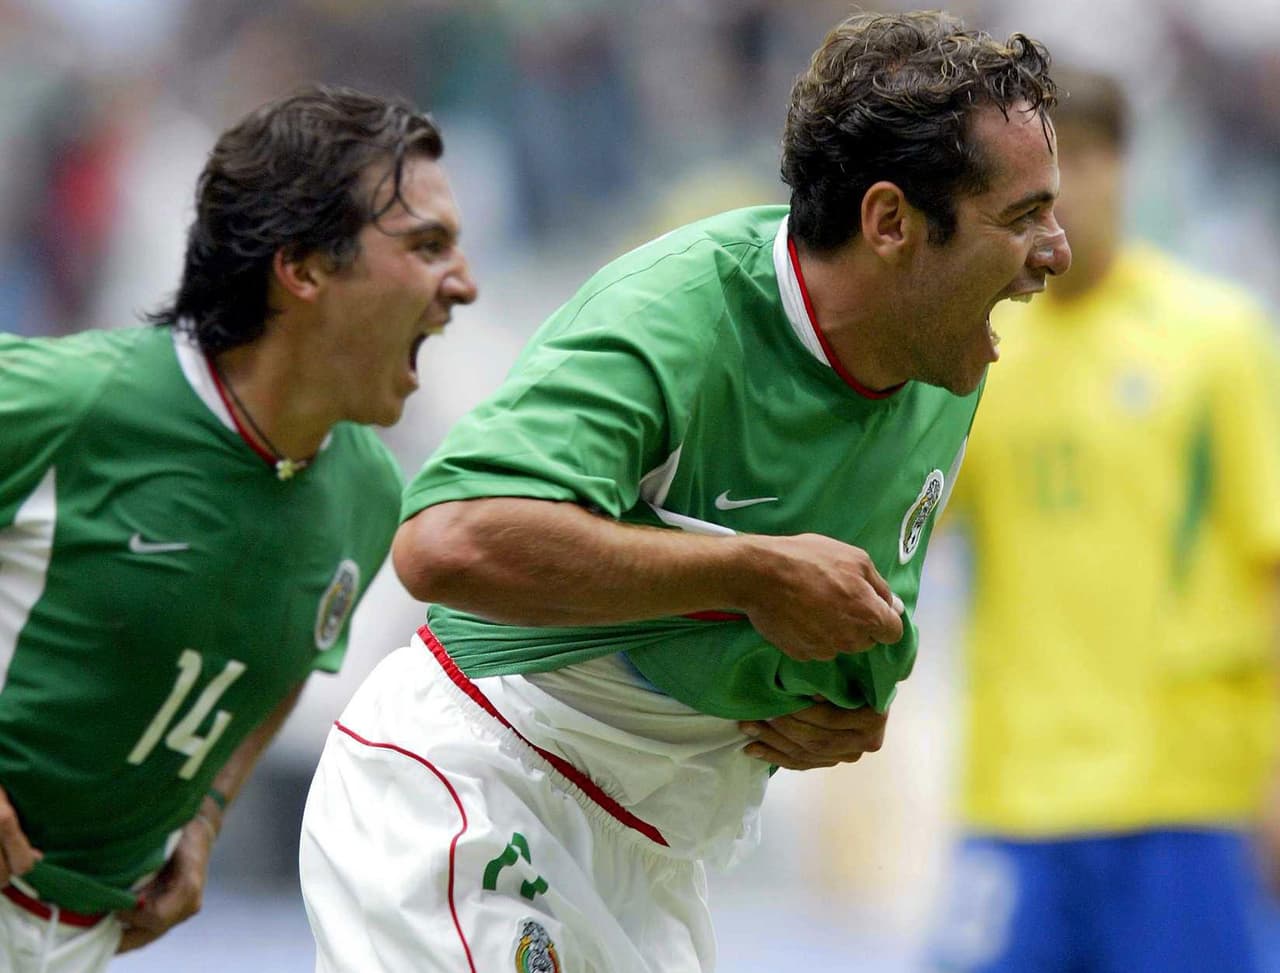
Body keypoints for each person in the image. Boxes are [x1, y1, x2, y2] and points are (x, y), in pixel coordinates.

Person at [299, 11, 1070, 973]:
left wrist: (844, 710)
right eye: (1022, 215)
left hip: (660, 856)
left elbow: (850, 621)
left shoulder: (946, 363)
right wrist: (750, 575)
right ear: (890, 223)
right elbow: (447, 542)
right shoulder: (682, 311)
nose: (1056, 249)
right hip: (484, 776)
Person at [0, 83, 477, 972]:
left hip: (82, 938)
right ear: (302, 268)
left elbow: (294, 654)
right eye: (427, 246)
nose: (466, 283)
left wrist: (208, 806)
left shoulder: (371, 492)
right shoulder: (79, 402)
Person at [927, 67, 1280, 973]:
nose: (1065, 194)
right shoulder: (976, 351)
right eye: (1036, 175)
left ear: (1125, 165)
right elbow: (906, 532)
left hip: (1179, 796)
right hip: (1013, 793)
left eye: (1083, 159)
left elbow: (1270, 564)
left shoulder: (1217, 338)